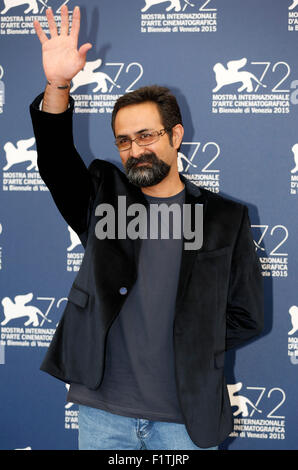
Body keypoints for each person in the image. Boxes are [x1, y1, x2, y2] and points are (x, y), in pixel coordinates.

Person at [30, 5, 264, 450]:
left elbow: (246, 315)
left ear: (176, 137)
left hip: (185, 419)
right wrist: (59, 84)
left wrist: (194, 339)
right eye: (124, 140)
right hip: (103, 414)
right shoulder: (102, 197)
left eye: (147, 136)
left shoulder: (224, 218)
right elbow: (56, 161)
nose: (135, 150)